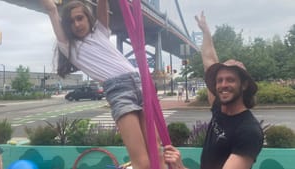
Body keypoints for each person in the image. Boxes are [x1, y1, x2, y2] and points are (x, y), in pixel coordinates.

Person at [40, 1, 165, 169]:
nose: (76, 24)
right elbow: (51, 9)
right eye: (71, 21)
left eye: (80, 18)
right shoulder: (68, 46)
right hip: (119, 92)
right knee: (141, 162)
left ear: (88, 18)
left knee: (157, 151)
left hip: (140, 83)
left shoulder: (100, 31)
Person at [164, 11, 264, 169]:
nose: (223, 85)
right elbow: (209, 61)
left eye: (230, 80)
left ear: (244, 85)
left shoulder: (249, 131)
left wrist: (180, 167)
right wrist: (206, 32)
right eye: (219, 80)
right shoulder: (219, 109)